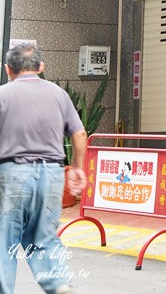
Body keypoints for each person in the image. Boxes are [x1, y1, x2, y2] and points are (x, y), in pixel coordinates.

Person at [0, 44, 86, 294]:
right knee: (44, 236)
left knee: (5, 239)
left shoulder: (3, 95)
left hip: (12, 173)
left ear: (8, 69)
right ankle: (57, 283)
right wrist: (77, 169)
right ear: (41, 67)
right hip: (52, 174)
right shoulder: (59, 94)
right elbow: (79, 133)